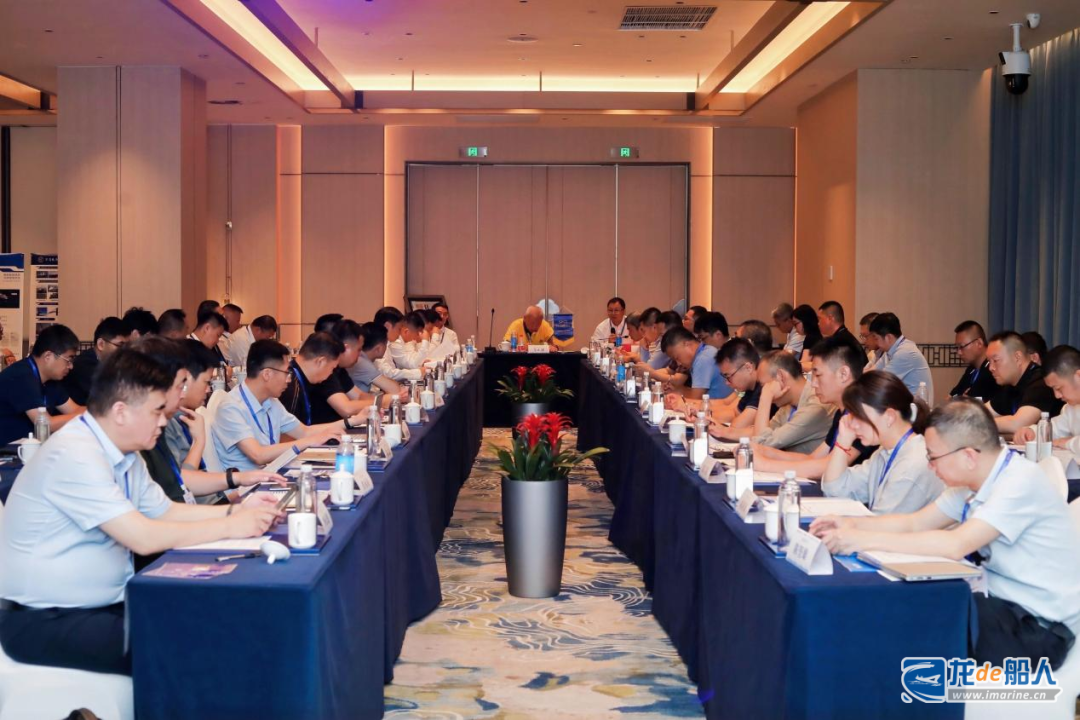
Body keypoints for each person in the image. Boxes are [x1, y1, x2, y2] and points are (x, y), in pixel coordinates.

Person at [0, 349, 282, 675]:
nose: (164, 421)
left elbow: (165, 511)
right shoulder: (76, 453)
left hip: (104, 606)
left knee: (219, 618)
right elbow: (143, 537)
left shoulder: (124, 453)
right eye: (156, 411)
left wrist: (237, 512)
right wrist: (233, 527)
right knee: (196, 646)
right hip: (44, 618)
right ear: (121, 411)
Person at [811, 398, 1080, 670]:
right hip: (998, 606)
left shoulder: (1019, 482)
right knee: (905, 607)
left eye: (933, 457)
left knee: (912, 618)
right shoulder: (974, 482)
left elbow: (956, 544)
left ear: (968, 456)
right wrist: (849, 523)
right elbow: (915, 523)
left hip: (1037, 629)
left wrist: (860, 540)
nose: (930, 466)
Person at [133, 337, 283, 505]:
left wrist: (239, 483)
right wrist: (199, 443)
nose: (207, 389)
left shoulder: (176, 420)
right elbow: (179, 488)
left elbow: (179, 485)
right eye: (179, 386)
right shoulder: (158, 430)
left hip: (206, 506)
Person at [211, 339, 364, 471]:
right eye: (286, 373)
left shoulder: (271, 401)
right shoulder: (231, 406)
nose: (289, 379)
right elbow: (258, 455)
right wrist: (311, 441)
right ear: (267, 374)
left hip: (270, 475)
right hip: (246, 487)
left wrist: (352, 421)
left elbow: (304, 431)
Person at [820, 371, 943, 514]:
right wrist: (842, 442)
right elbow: (835, 491)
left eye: (858, 416)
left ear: (889, 416)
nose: (852, 425)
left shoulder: (912, 464)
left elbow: (882, 523)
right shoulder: (884, 452)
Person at [753, 336, 872, 478]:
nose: (814, 383)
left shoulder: (863, 413)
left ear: (843, 374)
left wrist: (764, 464)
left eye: (818, 375)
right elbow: (814, 458)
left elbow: (827, 466)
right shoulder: (842, 413)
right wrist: (764, 452)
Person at [0, 324, 85, 445]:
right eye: (68, 360)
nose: (71, 366)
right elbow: (46, 423)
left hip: (31, 448)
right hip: (8, 452)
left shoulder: (51, 379)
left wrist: (100, 412)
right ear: (48, 356)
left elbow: (74, 409)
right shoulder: (21, 376)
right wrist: (89, 416)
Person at [753, 349, 835, 454]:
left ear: (781, 376)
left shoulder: (816, 407)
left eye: (765, 386)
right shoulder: (789, 404)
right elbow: (764, 434)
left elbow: (761, 444)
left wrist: (766, 397)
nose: (763, 390)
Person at [985, 331, 1063, 435]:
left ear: (1017, 357)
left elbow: (1018, 424)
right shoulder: (1011, 385)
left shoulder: (1041, 382)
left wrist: (980, 423)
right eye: (989, 362)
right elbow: (982, 412)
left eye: (995, 360)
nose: (991, 368)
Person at [1014, 345, 1080, 455]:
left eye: (1058, 388)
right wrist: (1031, 432)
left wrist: (1068, 443)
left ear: (1078, 376)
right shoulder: (1070, 409)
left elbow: (1065, 442)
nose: (1057, 396)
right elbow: (1054, 429)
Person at [705, 338, 769, 438]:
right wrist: (701, 415)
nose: (727, 382)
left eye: (728, 376)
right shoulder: (750, 387)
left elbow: (737, 425)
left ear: (748, 368)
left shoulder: (764, 385)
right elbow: (735, 413)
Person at [63, 316, 129, 406]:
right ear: (101, 344)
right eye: (120, 345)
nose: (124, 351)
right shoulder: (84, 365)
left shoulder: (106, 363)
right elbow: (110, 396)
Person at [867, 312, 933, 398]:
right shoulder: (891, 350)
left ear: (888, 337)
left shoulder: (905, 353)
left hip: (916, 405)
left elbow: (880, 382)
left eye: (876, 339)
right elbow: (872, 371)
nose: (876, 343)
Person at [661, 326, 733, 402]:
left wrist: (676, 391)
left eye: (677, 357)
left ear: (687, 344)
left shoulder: (703, 359)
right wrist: (676, 389)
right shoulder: (705, 350)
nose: (678, 364)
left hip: (720, 407)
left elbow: (695, 399)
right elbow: (696, 393)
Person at [349, 322, 402, 395]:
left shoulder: (363, 359)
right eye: (385, 344)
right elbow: (395, 390)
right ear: (379, 348)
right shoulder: (362, 363)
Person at [950, 320, 999, 400]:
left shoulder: (994, 370)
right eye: (957, 348)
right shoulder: (971, 369)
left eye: (962, 347)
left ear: (979, 343)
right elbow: (952, 396)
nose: (959, 352)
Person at [374, 307, 423, 382]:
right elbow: (388, 374)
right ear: (387, 326)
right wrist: (417, 373)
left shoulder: (386, 344)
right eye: (399, 329)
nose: (400, 334)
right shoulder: (376, 345)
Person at [817, 300, 868, 367]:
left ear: (830, 318)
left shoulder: (842, 341)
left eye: (820, 319)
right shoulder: (842, 336)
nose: (818, 323)